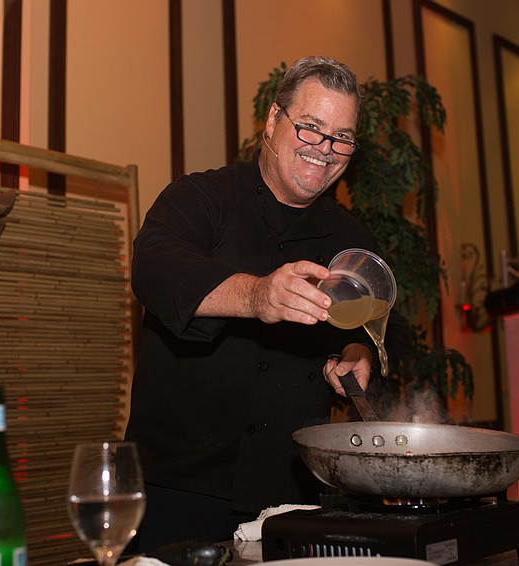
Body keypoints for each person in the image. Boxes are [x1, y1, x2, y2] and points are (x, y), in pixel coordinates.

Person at [124, 55, 406, 553]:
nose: (326, 149)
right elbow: (154, 266)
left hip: (289, 495)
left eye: (342, 137)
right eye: (311, 127)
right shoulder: (201, 198)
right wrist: (256, 295)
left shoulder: (351, 239)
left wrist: (358, 357)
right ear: (273, 121)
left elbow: (378, 330)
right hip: (173, 489)